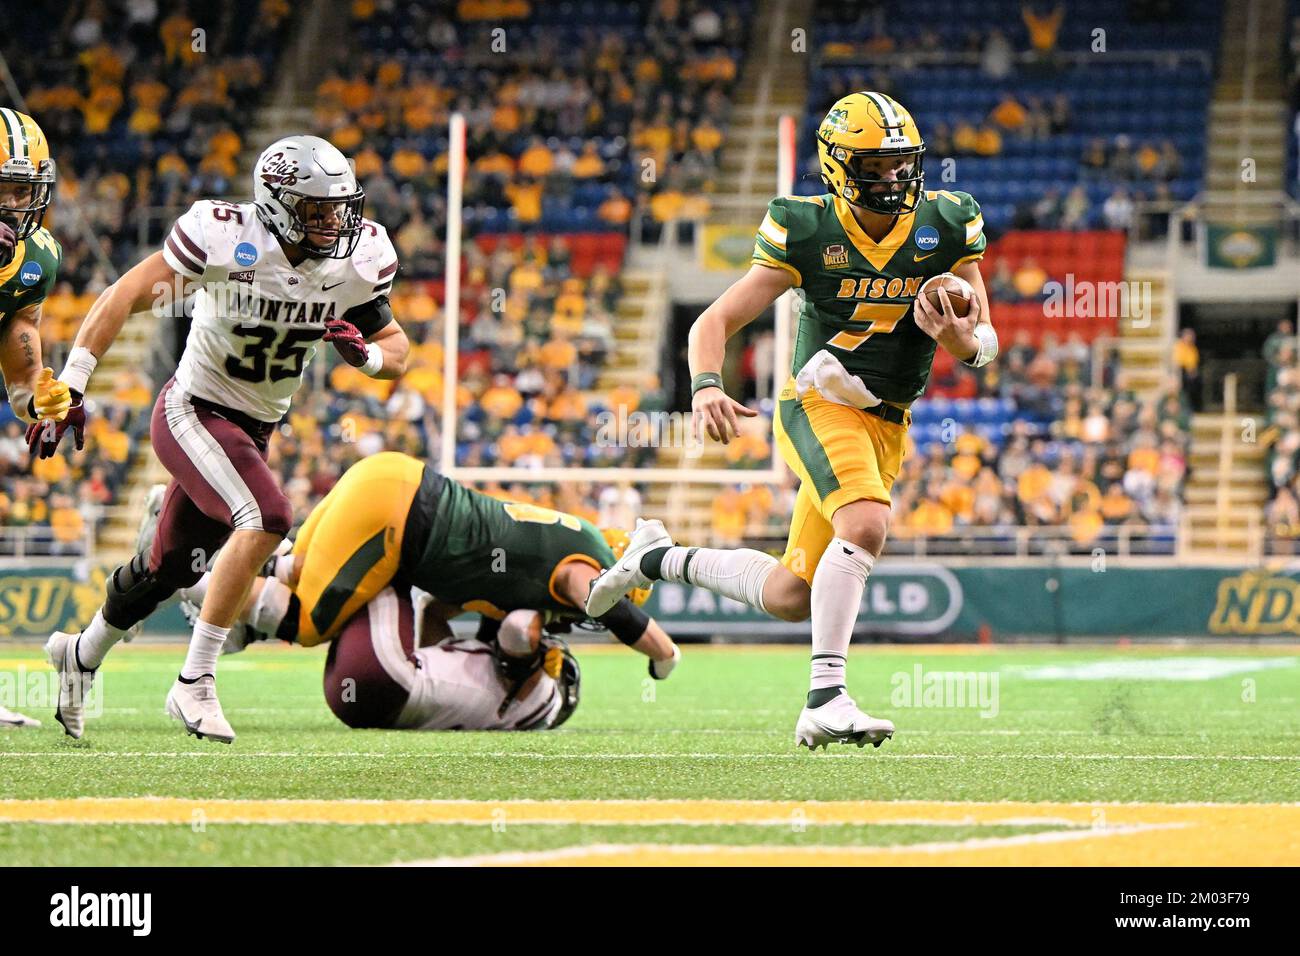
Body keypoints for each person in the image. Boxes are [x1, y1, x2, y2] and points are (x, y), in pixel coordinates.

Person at [587, 92, 996, 751]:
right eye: (876, 165)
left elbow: (987, 342)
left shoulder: (948, 223)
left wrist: (957, 340)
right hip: (818, 401)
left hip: (888, 423)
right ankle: (826, 697)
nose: (893, 178)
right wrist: (707, 385)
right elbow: (713, 321)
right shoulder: (805, 227)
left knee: (786, 593)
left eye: (901, 164)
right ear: (838, 167)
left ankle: (655, 556)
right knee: (865, 522)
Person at [43, 136, 411, 743]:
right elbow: (125, 294)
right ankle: (195, 682)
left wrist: (366, 356)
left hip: (252, 431)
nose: (335, 222)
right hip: (192, 410)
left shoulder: (358, 258)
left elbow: (398, 349)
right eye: (317, 209)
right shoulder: (224, 236)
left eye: (339, 207)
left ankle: (79, 655)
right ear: (278, 205)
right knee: (268, 517)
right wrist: (75, 384)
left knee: (168, 568)